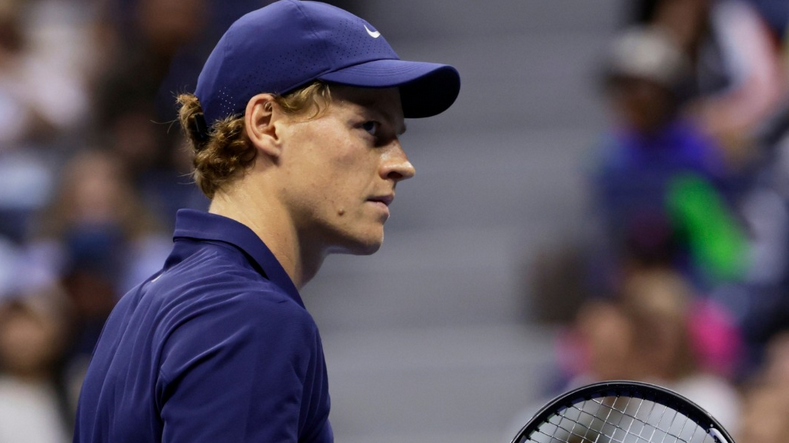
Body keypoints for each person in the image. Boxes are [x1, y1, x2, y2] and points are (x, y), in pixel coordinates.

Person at [72, 1, 460, 442]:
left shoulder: (137, 307)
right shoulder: (250, 316)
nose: (402, 164)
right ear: (267, 124)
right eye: (370, 127)